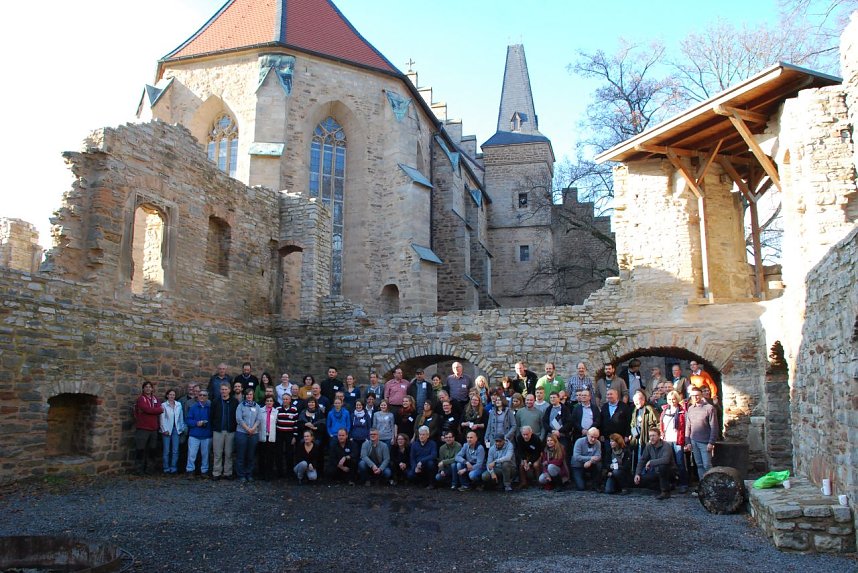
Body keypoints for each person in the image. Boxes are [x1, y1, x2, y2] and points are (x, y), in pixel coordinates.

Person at [684, 386, 718, 483]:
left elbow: (714, 426)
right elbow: (688, 426)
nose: (695, 398)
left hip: (705, 441)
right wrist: (688, 442)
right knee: (699, 465)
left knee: (707, 465)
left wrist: (711, 442)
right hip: (694, 441)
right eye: (693, 396)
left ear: (701, 395)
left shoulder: (709, 408)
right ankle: (702, 485)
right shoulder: (690, 409)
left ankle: (711, 485)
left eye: (697, 395)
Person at [634, 427, 675, 499]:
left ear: (659, 436)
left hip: (669, 472)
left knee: (662, 466)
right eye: (650, 436)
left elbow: (666, 460)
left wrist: (651, 462)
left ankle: (665, 492)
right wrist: (637, 473)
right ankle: (666, 486)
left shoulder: (666, 445)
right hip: (656, 472)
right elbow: (642, 460)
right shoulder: (649, 446)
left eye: (654, 435)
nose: (651, 438)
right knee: (641, 480)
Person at [660, 390, 688, 493]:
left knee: (680, 463)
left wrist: (685, 440)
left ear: (677, 399)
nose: (672, 401)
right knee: (668, 463)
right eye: (670, 399)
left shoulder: (682, 412)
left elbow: (685, 426)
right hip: (667, 440)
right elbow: (662, 424)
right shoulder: (665, 411)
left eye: (674, 399)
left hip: (678, 439)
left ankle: (683, 483)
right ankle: (671, 482)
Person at [133, 381, 163, 475]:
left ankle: (150, 469)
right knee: (140, 449)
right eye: (146, 387)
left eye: (150, 387)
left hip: (153, 429)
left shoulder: (155, 399)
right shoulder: (141, 399)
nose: (148, 388)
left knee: (152, 449)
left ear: (152, 389)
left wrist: (154, 410)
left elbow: (160, 409)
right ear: (143, 389)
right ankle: (139, 470)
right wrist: (156, 410)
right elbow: (146, 409)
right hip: (143, 428)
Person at [210, 381, 238, 480]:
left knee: (229, 453)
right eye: (222, 389)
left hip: (230, 431)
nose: (224, 391)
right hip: (218, 431)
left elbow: (237, 417)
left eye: (226, 389)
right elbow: (211, 416)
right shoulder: (215, 401)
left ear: (229, 390)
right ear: (220, 390)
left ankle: (228, 472)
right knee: (217, 453)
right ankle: (216, 472)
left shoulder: (234, 402)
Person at [629, 389, 659, 471]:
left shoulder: (650, 409)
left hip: (648, 439)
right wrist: (634, 432)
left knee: (647, 458)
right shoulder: (635, 410)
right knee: (639, 457)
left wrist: (654, 436)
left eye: (637, 401)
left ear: (643, 399)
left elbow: (658, 423)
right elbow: (632, 424)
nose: (635, 403)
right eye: (634, 401)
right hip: (637, 438)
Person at [185, 389, 212, 478]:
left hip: (206, 434)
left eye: (204, 395)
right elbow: (188, 420)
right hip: (194, 434)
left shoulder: (210, 408)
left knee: (205, 455)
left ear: (207, 397)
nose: (202, 397)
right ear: (197, 396)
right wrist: (196, 423)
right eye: (200, 395)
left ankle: (204, 471)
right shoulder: (193, 407)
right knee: (192, 454)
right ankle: (190, 470)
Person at [235, 388, 260, 482]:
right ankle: (241, 475)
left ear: (253, 396)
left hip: (254, 433)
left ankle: (249, 474)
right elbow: (239, 419)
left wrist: (253, 429)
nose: (249, 396)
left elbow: (259, 419)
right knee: (241, 455)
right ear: (245, 396)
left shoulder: (257, 406)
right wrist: (247, 429)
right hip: (242, 433)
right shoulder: (240, 406)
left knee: (251, 455)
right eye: (247, 394)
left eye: (251, 394)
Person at [599, 388, 631, 460]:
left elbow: (629, 421)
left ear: (617, 395)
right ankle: (608, 469)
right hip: (607, 437)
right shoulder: (604, 407)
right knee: (607, 454)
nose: (609, 396)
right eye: (607, 394)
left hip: (621, 438)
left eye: (611, 394)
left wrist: (627, 435)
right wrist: (601, 434)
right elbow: (601, 421)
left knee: (621, 455)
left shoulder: (624, 407)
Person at [159, 388, 185, 474]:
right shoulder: (163, 405)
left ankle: (173, 468)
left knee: (175, 450)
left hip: (176, 429)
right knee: (166, 450)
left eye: (173, 395)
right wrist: (164, 429)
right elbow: (162, 418)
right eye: (170, 395)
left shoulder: (178, 405)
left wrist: (181, 428)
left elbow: (181, 417)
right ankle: (166, 468)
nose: (172, 396)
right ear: (167, 395)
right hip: (167, 429)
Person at [275, 393, 299, 479]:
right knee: (278, 453)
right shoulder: (277, 409)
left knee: (290, 454)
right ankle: (279, 472)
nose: (285, 401)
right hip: (279, 433)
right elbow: (275, 422)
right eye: (283, 399)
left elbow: (296, 424)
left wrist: (294, 436)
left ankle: (290, 472)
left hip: (290, 434)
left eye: (287, 399)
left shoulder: (294, 409)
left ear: (290, 400)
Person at [570, 427, 602, 491]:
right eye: (592, 437)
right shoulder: (579, 442)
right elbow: (576, 456)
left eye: (595, 437)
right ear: (587, 434)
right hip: (577, 465)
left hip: (591, 464)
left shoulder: (598, 443)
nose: (593, 439)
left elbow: (598, 456)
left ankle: (596, 485)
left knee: (599, 465)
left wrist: (590, 461)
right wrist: (590, 458)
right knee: (581, 487)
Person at [256, 395, 278, 480]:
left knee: (270, 457)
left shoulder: (276, 411)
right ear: (265, 402)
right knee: (262, 456)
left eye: (271, 401)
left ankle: (269, 474)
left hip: (271, 436)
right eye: (267, 401)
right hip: (262, 435)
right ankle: (261, 473)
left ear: (273, 402)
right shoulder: (260, 411)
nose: (269, 402)